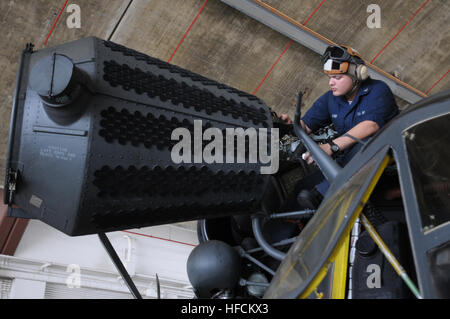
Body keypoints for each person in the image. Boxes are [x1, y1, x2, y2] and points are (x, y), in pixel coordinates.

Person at [280, 44, 399, 209]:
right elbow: (306, 126)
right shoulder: (331, 98)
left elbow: (370, 125)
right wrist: (286, 125)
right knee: (303, 187)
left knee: (367, 143)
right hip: (349, 160)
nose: (331, 83)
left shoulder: (378, 90)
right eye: (329, 77)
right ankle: (280, 226)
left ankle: (322, 199)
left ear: (358, 74)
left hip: (384, 156)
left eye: (337, 77)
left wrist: (332, 147)